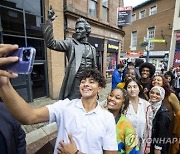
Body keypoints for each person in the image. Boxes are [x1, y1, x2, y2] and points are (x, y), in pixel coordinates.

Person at [0, 45, 117, 154]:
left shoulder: (107, 118)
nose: (86, 84)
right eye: (83, 81)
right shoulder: (64, 106)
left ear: (100, 88)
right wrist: (4, 84)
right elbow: (29, 116)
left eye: (91, 82)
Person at [41, 6, 97, 100]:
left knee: (87, 104)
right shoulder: (71, 43)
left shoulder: (92, 49)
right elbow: (51, 44)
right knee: (73, 105)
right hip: (75, 82)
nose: (77, 31)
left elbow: (95, 69)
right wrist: (49, 22)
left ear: (87, 31)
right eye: (76, 29)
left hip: (88, 83)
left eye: (80, 29)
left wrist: (96, 83)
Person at [145, 74, 180, 153]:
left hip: (166, 128)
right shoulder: (149, 99)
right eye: (154, 80)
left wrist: (158, 147)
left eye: (158, 80)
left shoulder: (171, 96)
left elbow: (178, 112)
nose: (156, 81)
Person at [124, 79, 153, 154]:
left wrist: (148, 145)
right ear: (126, 90)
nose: (132, 89)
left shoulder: (146, 105)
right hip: (125, 144)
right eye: (129, 87)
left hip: (141, 144)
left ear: (139, 89)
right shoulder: (123, 105)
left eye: (134, 87)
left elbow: (149, 127)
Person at [107, 87, 140, 153]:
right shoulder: (97, 115)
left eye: (117, 98)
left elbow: (133, 151)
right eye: (111, 95)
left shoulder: (126, 124)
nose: (112, 99)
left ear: (123, 103)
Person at [149, 86, 170, 154]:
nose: (154, 95)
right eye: (152, 93)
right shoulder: (146, 106)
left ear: (162, 97)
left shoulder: (163, 113)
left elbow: (163, 132)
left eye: (158, 94)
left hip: (155, 144)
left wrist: (158, 147)